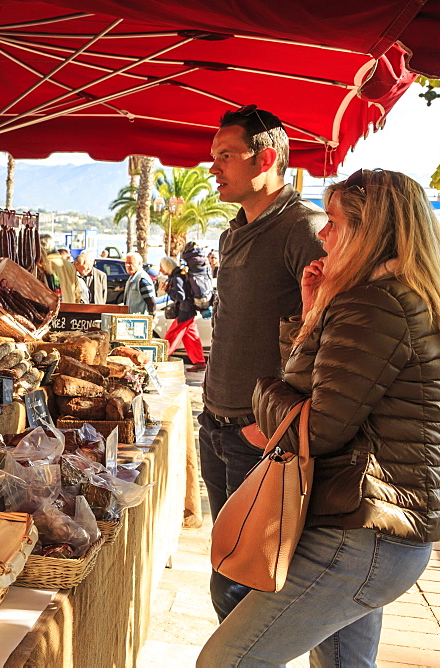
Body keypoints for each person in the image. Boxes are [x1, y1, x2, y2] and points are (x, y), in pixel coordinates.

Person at [198, 169, 440, 666]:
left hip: (364, 532)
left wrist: (261, 395)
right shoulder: (389, 298)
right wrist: (313, 314)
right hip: (380, 529)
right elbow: (320, 389)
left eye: (332, 222)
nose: (323, 235)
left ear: (368, 232)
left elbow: (316, 427)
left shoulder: (375, 304)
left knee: (228, 660)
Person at [200, 105, 326, 622]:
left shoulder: (304, 227)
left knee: (237, 587)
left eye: (225, 156)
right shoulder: (235, 230)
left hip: (258, 434)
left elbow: (329, 330)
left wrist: (273, 423)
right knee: (226, 567)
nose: (213, 169)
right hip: (216, 423)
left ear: (267, 157)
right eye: (214, 157)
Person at [164, 245, 208, 372]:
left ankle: (161, 358)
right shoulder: (179, 275)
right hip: (189, 311)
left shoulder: (176, 277)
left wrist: (167, 290)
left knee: (171, 336)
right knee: (191, 338)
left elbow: (181, 296)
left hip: (185, 311)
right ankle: (200, 362)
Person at [39, 234, 81, 304]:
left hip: (55, 308)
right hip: (70, 306)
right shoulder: (70, 265)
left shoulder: (43, 266)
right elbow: (77, 292)